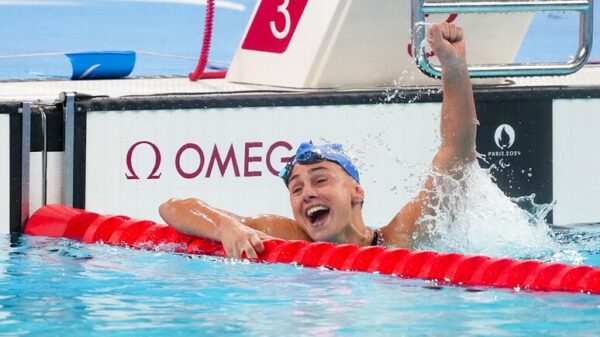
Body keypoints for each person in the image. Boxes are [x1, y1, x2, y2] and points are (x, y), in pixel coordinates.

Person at [159, 22, 477, 259]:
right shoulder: (285, 236)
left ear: (357, 192)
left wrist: (454, 68)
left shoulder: (399, 238)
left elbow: (456, 155)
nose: (307, 193)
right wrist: (227, 227)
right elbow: (173, 208)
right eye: (296, 188)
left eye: (320, 180)